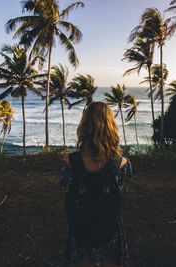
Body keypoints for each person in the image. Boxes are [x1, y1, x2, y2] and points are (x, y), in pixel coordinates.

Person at [60, 101, 132, 267]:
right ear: (111, 126)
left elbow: (64, 183)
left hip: (80, 228)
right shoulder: (122, 164)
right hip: (109, 228)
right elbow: (123, 183)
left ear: (84, 126)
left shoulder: (68, 162)